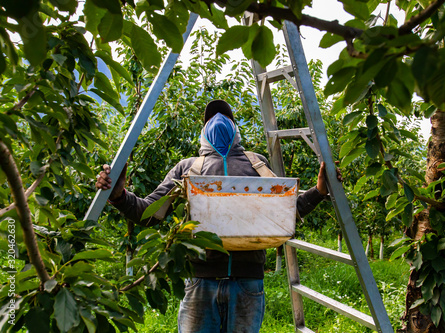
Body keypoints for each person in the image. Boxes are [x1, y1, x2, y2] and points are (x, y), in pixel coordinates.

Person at [96, 100, 332, 333]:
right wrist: (119, 196)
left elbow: (284, 212)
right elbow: (149, 213)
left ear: (234, 127)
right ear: (203, 131)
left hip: (246, 281)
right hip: (201, 281)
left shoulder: (257, 164)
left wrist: (318, 191)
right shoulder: (188, 169)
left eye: (225, 117)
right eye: (211, 118)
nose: (218, 120)